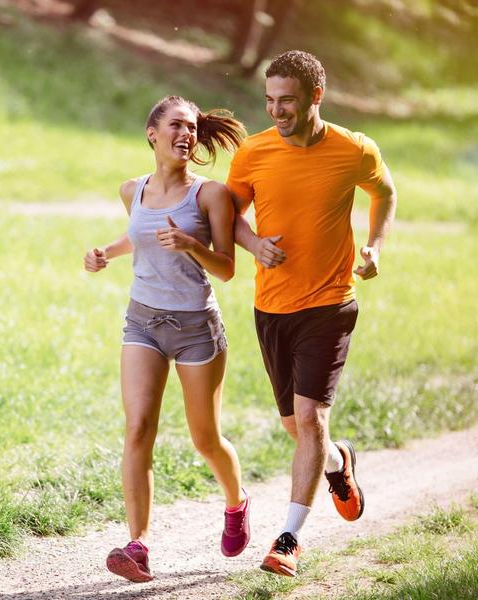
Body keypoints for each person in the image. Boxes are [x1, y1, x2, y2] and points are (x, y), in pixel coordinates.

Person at [226, 50, 398, 577]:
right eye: (270, 101)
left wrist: (374, 248)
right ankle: (337, 463)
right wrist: (254, 243)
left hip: (329, 303)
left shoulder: (352, 148)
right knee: (294, 426)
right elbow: (228, 216)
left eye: (288, 101)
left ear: (315, 96)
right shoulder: (253, 153)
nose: (277, 111)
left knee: (309, 417)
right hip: (271, 306)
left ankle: (289, 539)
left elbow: (384, 193)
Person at [84, 95, 250, 583]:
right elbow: (141, 234)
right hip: (143, 322)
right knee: (137, 429)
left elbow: (227, 268)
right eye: (177, 124)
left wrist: (193, 245)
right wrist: (105, 253)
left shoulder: (210, 195)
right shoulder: (131, 190)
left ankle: (237, 502)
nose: (187, 134)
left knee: (205, 439)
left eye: (194, 128)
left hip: (197, 328)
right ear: (152, 133)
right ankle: (138, 545)